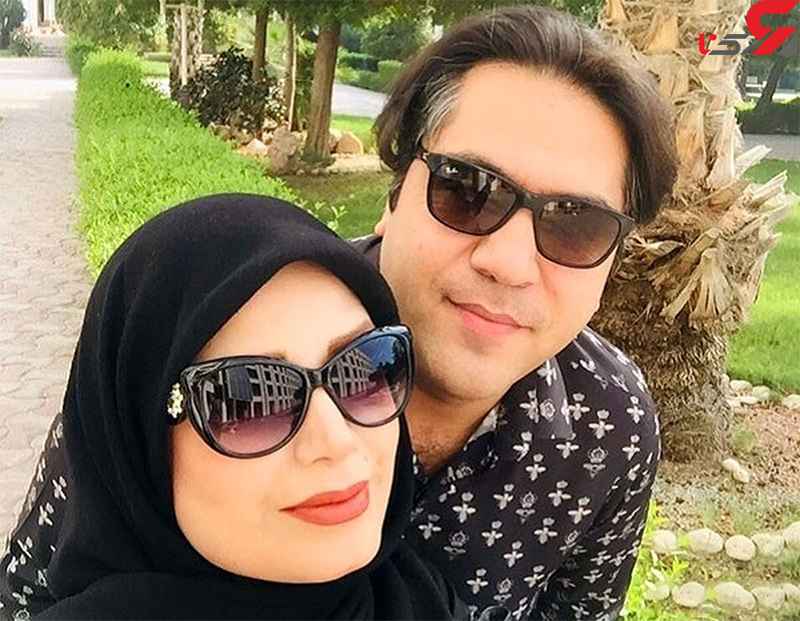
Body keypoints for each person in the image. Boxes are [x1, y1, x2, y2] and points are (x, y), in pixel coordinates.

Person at [2, 5, 679, 621]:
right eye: (468, 190)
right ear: (394, 195)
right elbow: (35, 587)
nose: (509, 261)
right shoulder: (223, 321)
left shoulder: (607, 425)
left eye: (576, 224)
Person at [1, 194, 465, 620]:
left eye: (364, 369)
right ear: (140, 444)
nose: (336, 441)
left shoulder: (422, 601)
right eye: (250, 402)